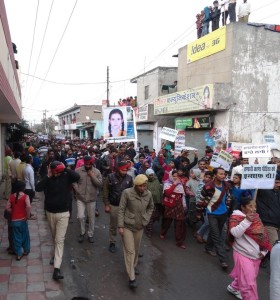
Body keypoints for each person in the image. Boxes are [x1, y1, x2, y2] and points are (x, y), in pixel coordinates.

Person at [35, 161, 80, 281]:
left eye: (57, 171)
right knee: (55, 237)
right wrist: (48, 175)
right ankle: (55, 255)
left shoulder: (66, 176)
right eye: (54, 171)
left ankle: (57, 268)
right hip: (50, 212)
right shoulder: (48, 178)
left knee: (59, 240)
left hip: (64, 214)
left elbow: (77, 176)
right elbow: (38, 188)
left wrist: (65, 168)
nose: (56, 173)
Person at [228, 196, 271, 300]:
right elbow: (235, 233)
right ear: (243, 207)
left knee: (247, 277)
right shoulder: (236, 216)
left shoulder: (256, 217)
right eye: (250, 206)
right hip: (242, 254)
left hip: (256, 256)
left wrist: (264, 251)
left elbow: (263, 236)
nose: (254, 208)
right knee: (249, 284)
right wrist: (246, 221)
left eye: (255, 206)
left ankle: (234, 287)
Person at [118, 174, 154, 289]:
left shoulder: (148, 194)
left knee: (136, 249)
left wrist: (146, 218)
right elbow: (121, 209)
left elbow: (151, 207)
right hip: (128, 225)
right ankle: (131, 277)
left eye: (144, 186)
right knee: (130, 251)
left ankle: (133, 266)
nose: (143, 188)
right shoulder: (127, 192)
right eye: (140, 186)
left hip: (140, 226)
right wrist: (120, 226)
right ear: (136, 185)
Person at [197, 168, 231, 270]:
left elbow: (228, 198)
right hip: (212, 213)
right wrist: (198, 212)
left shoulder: (227, 185)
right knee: (217, 236)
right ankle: (223, 260)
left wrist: (227, 208)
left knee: (215, 232)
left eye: (224, 174)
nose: (223, 176)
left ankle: (208, 248)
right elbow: (201, 200)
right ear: (215, 175)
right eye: (220, 174)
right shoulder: (208, 187)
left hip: (223, 214)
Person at [103, 161, 133, 253]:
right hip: (114, 205)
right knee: (113, 225)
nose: (124, 172)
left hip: (126, 206)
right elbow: (105, 191)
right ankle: (112, 242)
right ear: (118, 169)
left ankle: (130, 245)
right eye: (123, 170)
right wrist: (107, 204)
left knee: (128, 226)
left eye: (126, 170)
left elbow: (132, 192)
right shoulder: (110, 177)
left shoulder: (129, 178)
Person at [73, 156, 103, 243]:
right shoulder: (78, 170)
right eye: (86, 164)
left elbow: (100, 184)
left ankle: (90, 234)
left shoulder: (97, 172)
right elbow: (74, 181)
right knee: (81, 216)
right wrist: (78, 190)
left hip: (91, 198)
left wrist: (92, 176)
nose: (88, 165)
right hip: (80, 198)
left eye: (90, 164)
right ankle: (82, 232)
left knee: (91, 218)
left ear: (92, 164)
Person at [160, 170, 187, 249]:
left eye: (176, 176)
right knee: (167, 220)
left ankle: (179, 241)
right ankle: (163, 232)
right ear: (171, 176)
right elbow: (167, 193)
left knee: (180, 222)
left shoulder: (180, 184)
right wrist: (174, 184)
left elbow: (182, 195)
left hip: (178, 204)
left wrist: (184, 205)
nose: (175, 178)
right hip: (170, 204)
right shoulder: (167, 183)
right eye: (174, 176)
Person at [5, 181, 31, 261]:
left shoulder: (11, 196)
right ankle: (26, 251)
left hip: (14, 221)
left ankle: (19, 254)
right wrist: (27, 216)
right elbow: (28, 207)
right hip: (23, 220)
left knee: (16, 237)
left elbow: (7, 208)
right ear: (23, 188)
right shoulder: (25, 196)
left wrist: (13, 212)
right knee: (25, 236)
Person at [256, 176, 280, 245]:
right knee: (274, 247)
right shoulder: (263, 190)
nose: (278, 185)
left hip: (277, 223)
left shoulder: (278, 192)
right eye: (276, 183)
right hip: (269, 223)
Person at [145, 169, 163, 238]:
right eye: (150, 175)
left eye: (152, 175)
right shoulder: (145, 181)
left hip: (156, 203)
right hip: (148, 203)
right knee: (150, 217)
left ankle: (148, 225)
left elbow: (159, 190)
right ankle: (149, 230)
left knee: (156, 216)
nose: (151, 176)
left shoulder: (156, 180)